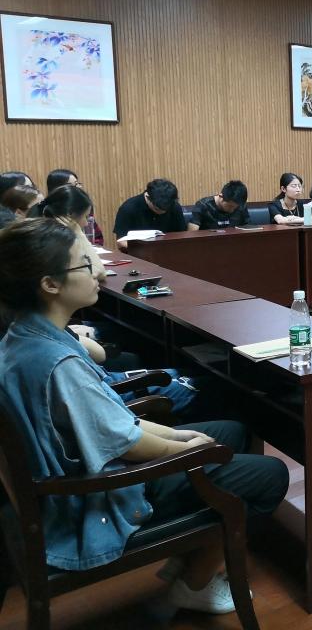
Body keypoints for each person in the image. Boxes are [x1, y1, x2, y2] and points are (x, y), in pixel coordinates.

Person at [0, 218, 289, 613]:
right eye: (85, 264)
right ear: (50, 284)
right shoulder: (57, 362)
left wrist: (181, 439)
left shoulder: (26, 334)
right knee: (271, 475)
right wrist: (186, 449)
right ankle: (194, 581)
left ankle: (190, 557)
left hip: (76, 472)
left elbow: (112, 417)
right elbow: (126, 442)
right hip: (97, 496)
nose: (99, 273)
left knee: (231, 431)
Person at [30, 184, 107, 284]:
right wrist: (78, 232)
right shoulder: (53, 239)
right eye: (86, 216)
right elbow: (99, 272)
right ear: (69, 215)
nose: (86, 223)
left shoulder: (42, 229)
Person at [46, 168, 105, 246]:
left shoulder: (83, 205)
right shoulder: (48, 213)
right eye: (74, 185)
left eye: (78, 183)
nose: (79, 187)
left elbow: (97, 238)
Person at [113, 179, 188, 239]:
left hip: (169, 249)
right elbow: (121, 241)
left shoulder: (174, 206)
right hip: (138, 251)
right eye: (157, 209)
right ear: (148, 197)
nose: (162, 212)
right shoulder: (128, 209)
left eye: (166, 210)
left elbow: (182, 235)